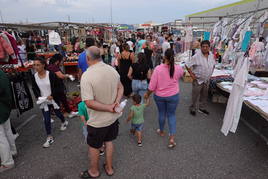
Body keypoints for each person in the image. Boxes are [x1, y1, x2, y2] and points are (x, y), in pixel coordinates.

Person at [80, 46, 124, 178]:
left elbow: (88, 102)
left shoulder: (87, 76)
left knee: (94, 146)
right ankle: (109, 168)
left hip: (97, 120)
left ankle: (94, 171)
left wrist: (109, 106)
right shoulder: (112, 70)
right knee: (109, 142)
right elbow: (120, 87)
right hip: (112, 118)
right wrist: (116, 102)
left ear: (88, 58)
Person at [144, 49, 184, 148]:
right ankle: (172, 138)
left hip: (160, 96)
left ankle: (161, 131)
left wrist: (147, 94)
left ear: (164, 57)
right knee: (171, 115)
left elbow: (152, 86)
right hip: (173, 95)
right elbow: (180, 75)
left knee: (161, 113)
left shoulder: (158, 69)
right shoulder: (178, 68)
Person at [32, 57, 69, 148]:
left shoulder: (51, 74)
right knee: (47, 119)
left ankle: (64, 121)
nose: (35, 67)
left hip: (53, 98)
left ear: (43, 65)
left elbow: (57, 86)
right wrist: (39, 97)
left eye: (38, 65)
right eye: (34, 65)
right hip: (44, 101)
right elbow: (34, 89)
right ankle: (49, 137)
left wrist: (52, 95)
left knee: (58, 113)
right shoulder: (34, 77)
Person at [186, 40, 216, 116]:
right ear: (201, 47)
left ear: (209, 47)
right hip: (198, 80)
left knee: (204, 95)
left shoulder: (211, 55)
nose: (205, 48)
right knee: (195, 95)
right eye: (203, 46)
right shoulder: (196, 56)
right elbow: (187, 65)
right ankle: (192, 108)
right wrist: (192, 75)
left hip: (206, 80)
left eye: (206, 47)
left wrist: (211, 73)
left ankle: (201, 108)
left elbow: (213, 64)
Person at [47, 54, 77, 118]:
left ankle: (64, 113)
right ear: (58, 61)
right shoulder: (53, 67)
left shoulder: (51, 66)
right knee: (62, 100)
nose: (62, 62)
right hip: (56, 87)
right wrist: (68, 75)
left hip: (54, 86)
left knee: (60, 100)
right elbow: (61, 76)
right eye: (61, 61)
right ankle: (66, 113)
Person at [0, 69, 17, 173]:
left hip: (1, 107)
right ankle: (12, 151)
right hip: (5, 105)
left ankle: (7, 162)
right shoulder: (1, 72)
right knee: (7, 131)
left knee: (1, 137)